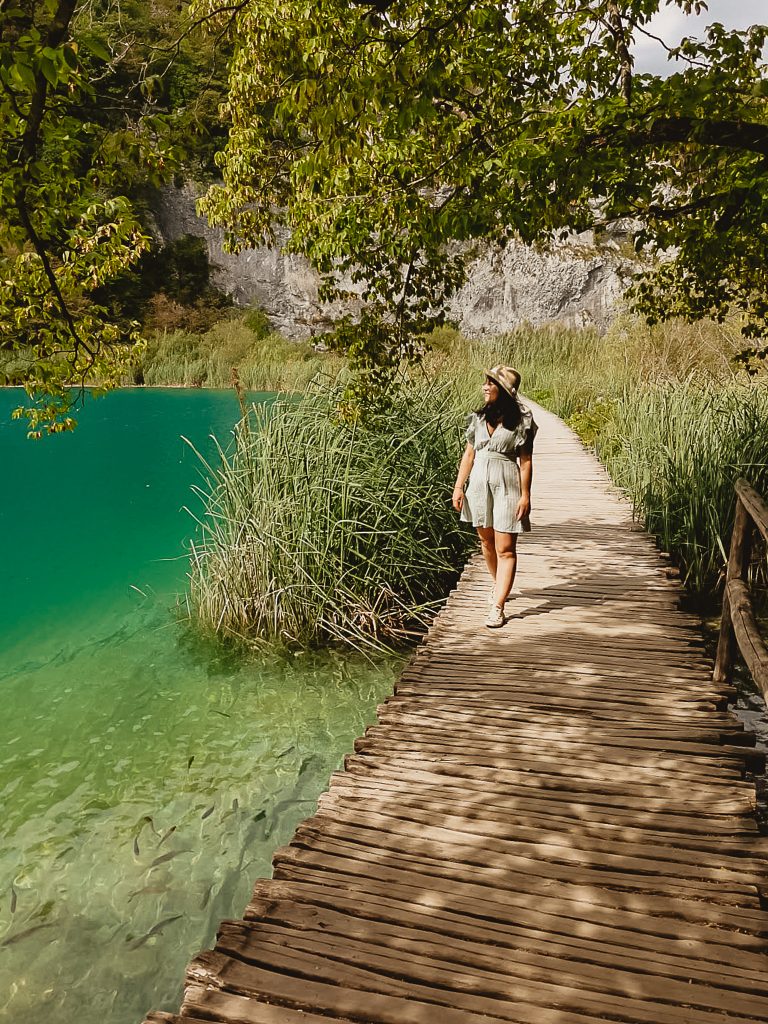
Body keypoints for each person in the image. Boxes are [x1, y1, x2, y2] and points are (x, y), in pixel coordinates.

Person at [452, 365, 537, 628]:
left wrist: (525, 496)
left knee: (505, 548)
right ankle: (497, 583)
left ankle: (498, 605)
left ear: (504, 390)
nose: (485, 387)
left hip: (507, 485)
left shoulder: (522, 421)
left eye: (491, 383)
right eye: (486, 382)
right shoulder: (477, 418)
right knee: (486, 542)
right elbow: (469, 455)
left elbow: (525, 461)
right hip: (478, 483)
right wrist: (458, 487)